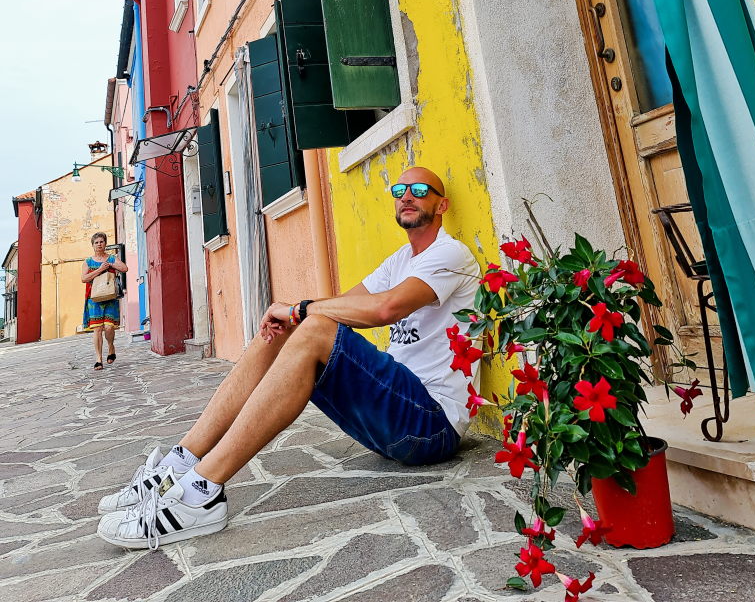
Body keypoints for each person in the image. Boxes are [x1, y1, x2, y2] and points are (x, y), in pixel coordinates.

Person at [97, 166, 480, 549]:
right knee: (292, 327)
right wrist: (294, 315)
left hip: (431, 424)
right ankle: (182, 460)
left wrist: (299, 309)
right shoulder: (400, 260)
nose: (406, 195)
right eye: (399, 189)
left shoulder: (450, 254)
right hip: (396, 423)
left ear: (441, 203)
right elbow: (343, 305)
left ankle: (201, 490)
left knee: (308, 323)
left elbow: (384, 309)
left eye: (419, 189)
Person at [82, 232, 128, 370]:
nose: (99, 244)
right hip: (94, 299)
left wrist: (111, 265)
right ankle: (98, 359)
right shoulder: (88, 261)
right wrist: (100, 269)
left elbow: (125, 268)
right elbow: (83, 279)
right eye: (96, 242)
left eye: (101, 241)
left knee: (108, 327)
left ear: (105, 243)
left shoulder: (111, 259)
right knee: (97, 330)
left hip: (110, 297)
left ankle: (111, 347)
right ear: (92, 245)